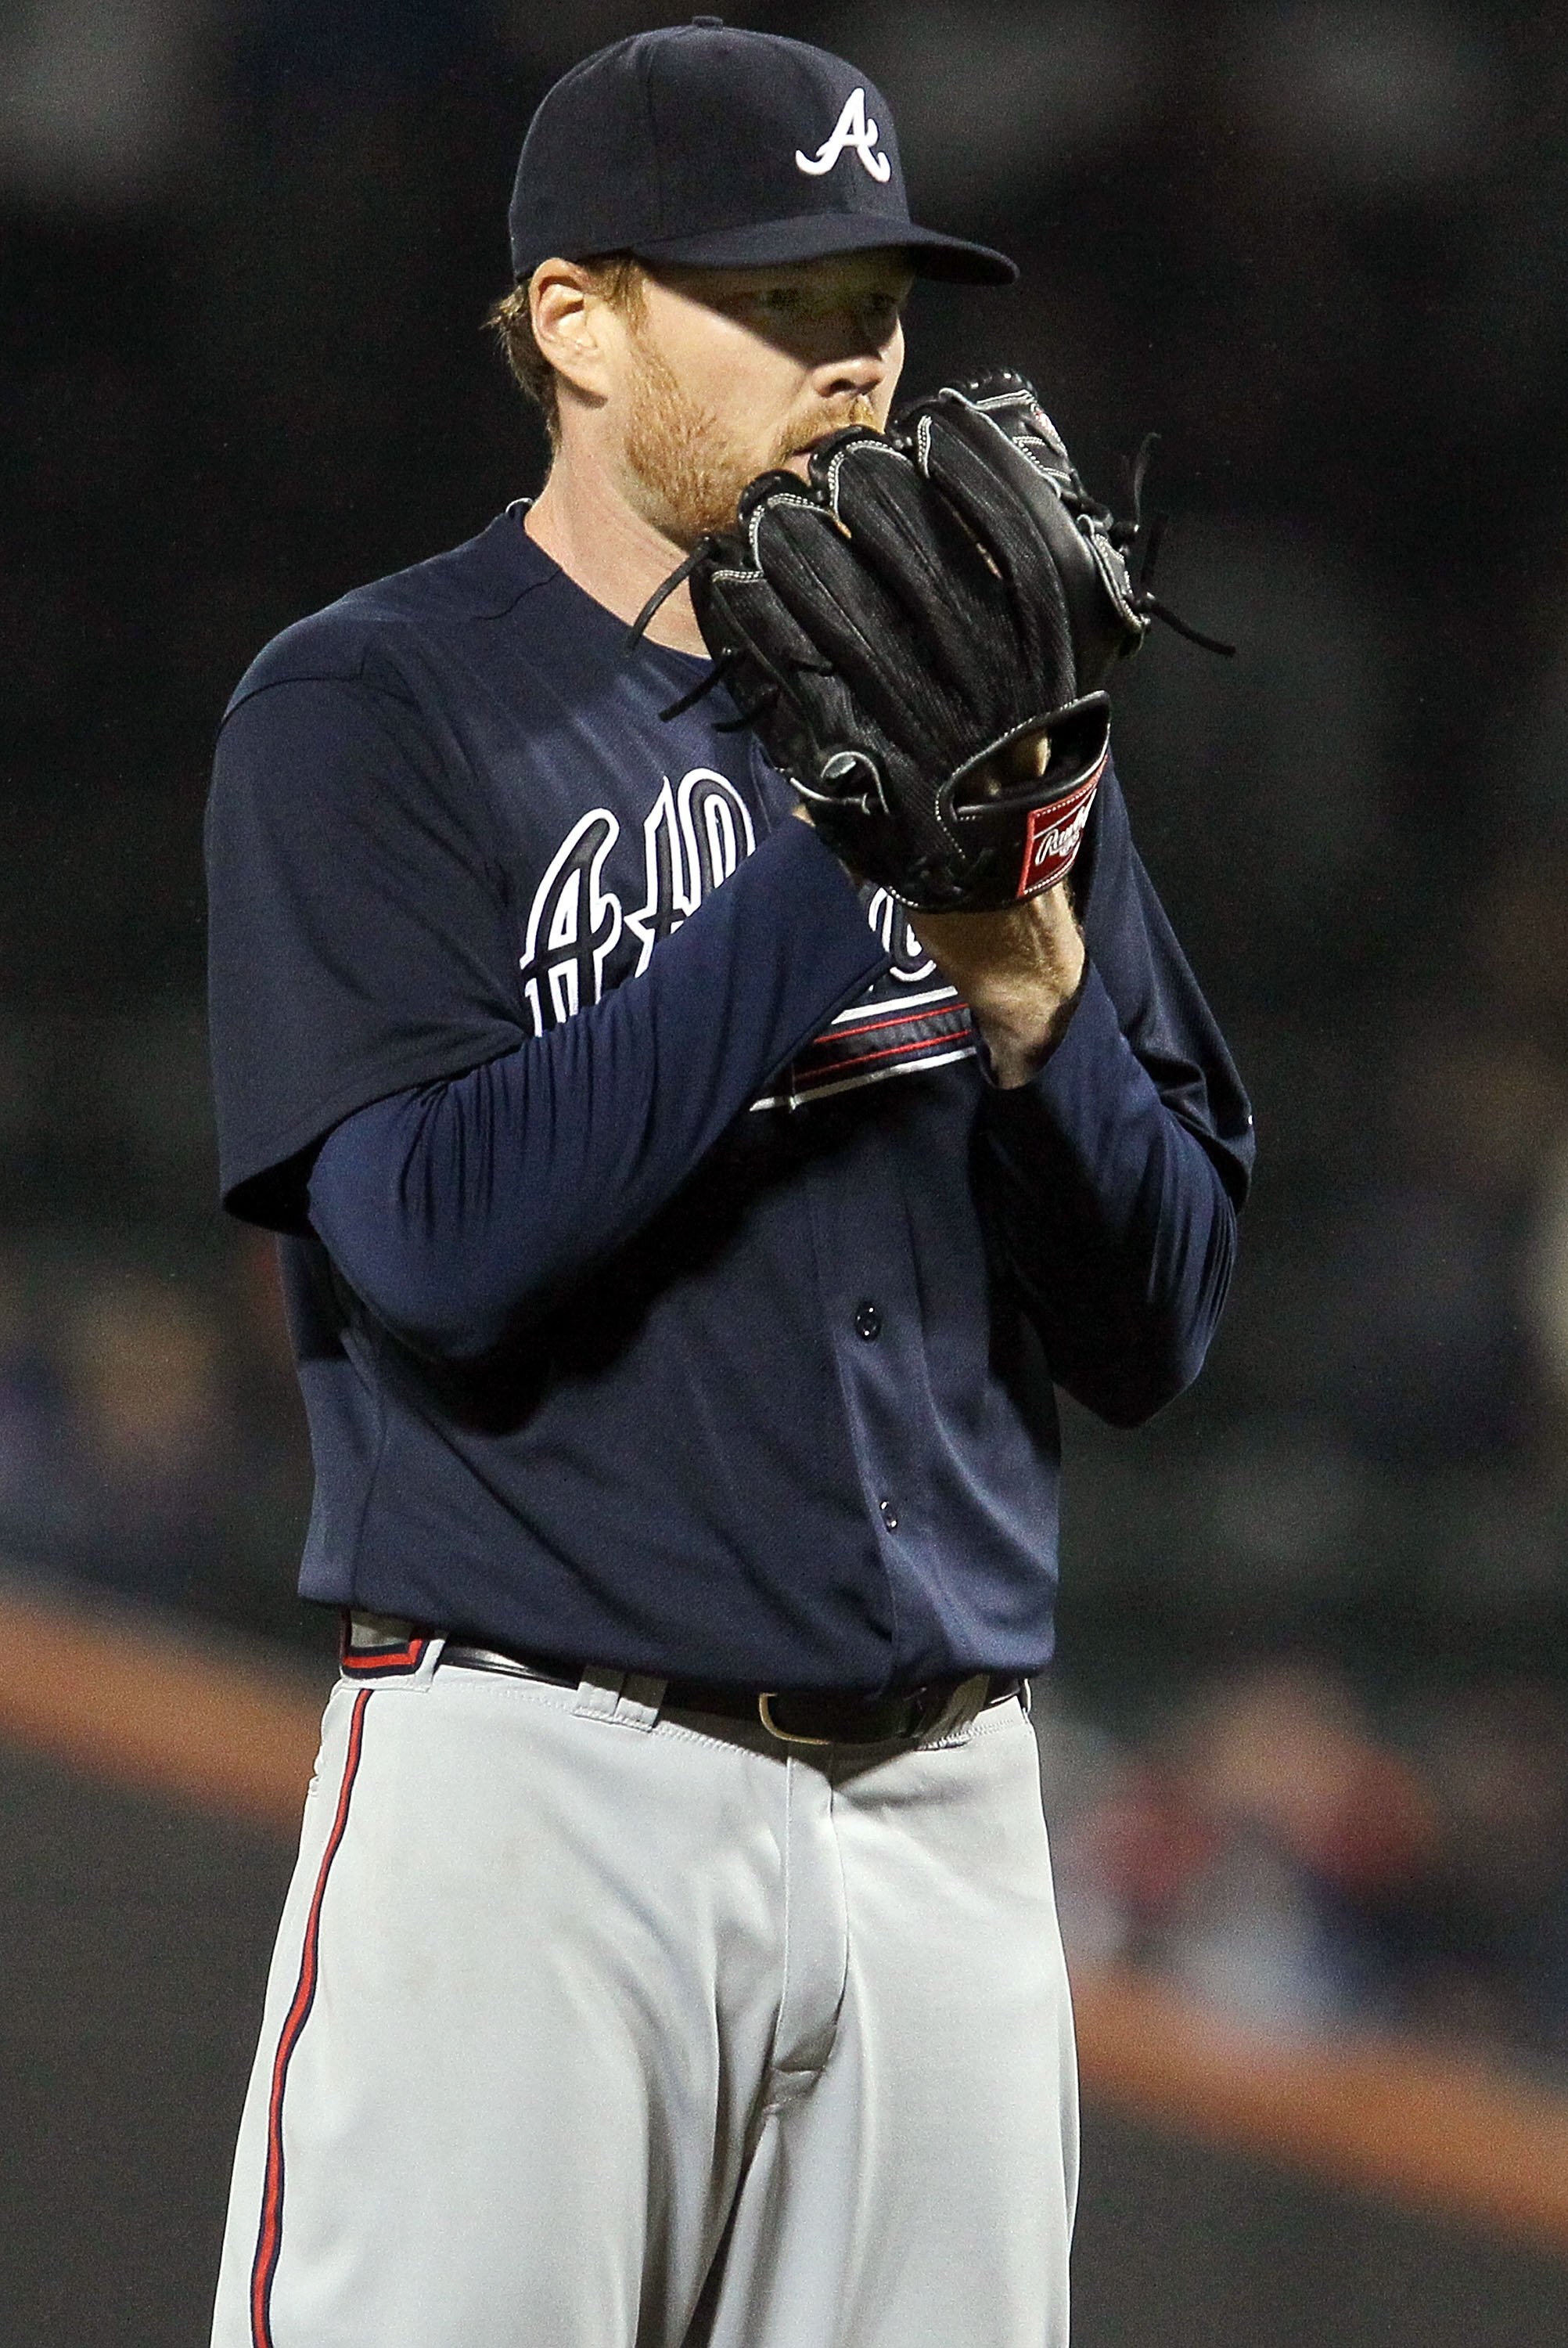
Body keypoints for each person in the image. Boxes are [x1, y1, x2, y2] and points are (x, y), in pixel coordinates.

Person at [204, 22, 1253, 2348]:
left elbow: (1159, 1315)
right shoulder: (372, 710)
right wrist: (830, 856)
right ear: (570, 319)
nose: (848, 354)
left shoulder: (1005, 716)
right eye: (768, 299)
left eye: (871, 299)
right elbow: (437, 1254)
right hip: (540, 1792)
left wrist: (1029, 996)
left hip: (944, 1816)